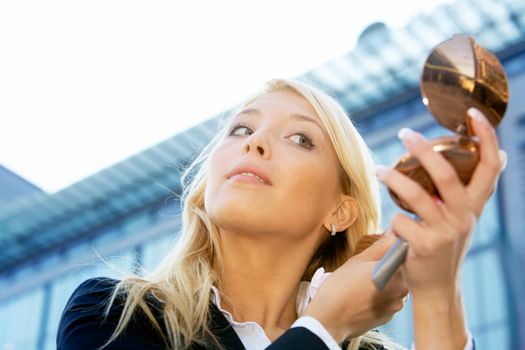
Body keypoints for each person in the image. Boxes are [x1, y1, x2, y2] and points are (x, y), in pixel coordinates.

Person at [56, 78, 505, 350]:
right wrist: (324, 327)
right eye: (242, 129)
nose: (254, 143)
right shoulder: (115, 314)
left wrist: (437, 290)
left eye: (300, 139)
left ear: (341, 210)